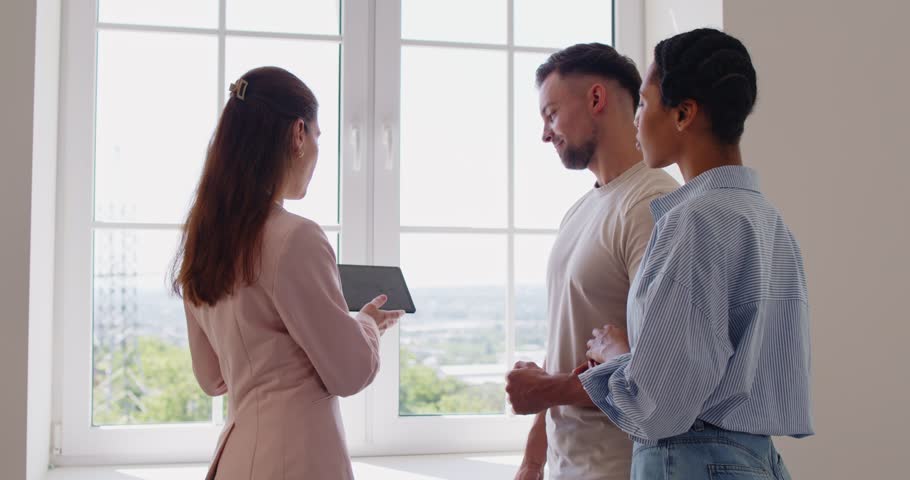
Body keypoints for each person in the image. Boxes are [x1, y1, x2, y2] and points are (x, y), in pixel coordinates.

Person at [511, 29, 814, 480]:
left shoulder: (686, 217)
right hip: (752, 458)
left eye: (645, 104)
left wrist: (619, 356)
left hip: (685, 461)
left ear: (684, 114)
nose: (637, 119)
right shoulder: (767, 219)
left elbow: (660, 402)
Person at [172, 66, 403, 480]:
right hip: (296, 459)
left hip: (237, 457)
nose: (316, 150)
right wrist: (367, 323)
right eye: (317, 136)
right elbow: (350, 372)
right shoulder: (295, 238)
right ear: (298, 134)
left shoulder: (203, 240)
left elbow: (211, 377)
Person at [508, 43, 678, 480]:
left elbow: (655, 369)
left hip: (619, 468)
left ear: (596, 99)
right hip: (569, 468)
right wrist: (532, 459)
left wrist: (545, 389)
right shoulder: (580, 211)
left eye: (551, 113)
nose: (545, 133)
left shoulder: (652, 202)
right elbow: (564, 347)